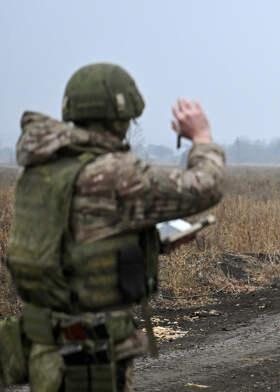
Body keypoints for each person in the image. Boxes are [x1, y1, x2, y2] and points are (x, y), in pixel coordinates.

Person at [2, 63, 225, 391]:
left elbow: (75, 245)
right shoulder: (112, 173)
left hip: (43, 344)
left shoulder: (41, 170)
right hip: (88, 356)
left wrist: (150, 243)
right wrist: (202, 138)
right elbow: (206, 185)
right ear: (120, 118)